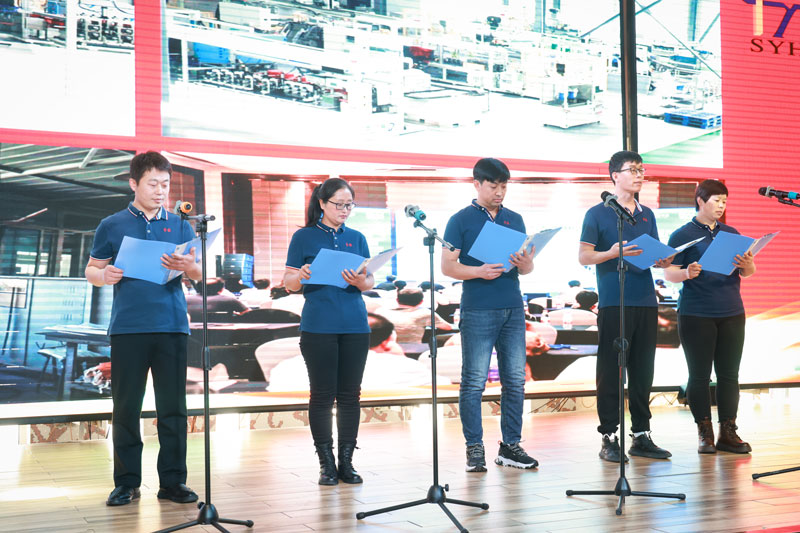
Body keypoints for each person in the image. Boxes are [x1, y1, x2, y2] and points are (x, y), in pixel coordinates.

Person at [84, 151, 201, 506]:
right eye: (153, 184)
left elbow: (198, 273)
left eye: (165, 184)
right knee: (126, 408)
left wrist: (187, 266)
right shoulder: (112, 224)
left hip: (172, 325)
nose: (161, 191)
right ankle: (126, 483)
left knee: (173, 408)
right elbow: (92, 270)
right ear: (134, 183)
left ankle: (173, 482)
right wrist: (104, 274)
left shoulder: (181, 225)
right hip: (129, 327)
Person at [441, 157, 538, 472]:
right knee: (473, 381)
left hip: (512, 306)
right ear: (477, 184)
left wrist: (526, 263)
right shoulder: (460, 220)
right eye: (493, 186)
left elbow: (525, 268)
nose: (499, 192)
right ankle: (474, 447)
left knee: (515, 380)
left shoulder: (514, 219)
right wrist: (478, 271)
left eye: (504, 186)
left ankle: (511, 446)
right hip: (478, 308)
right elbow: (447, 266)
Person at [578, 150, 673, 463]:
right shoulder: (597, 213)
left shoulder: (647, 214)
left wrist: (663, 260)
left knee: (643, 370)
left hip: (645, 300)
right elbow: (584, 256)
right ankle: (608, 436)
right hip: (613, 301)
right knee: (610, 369)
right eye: (632, 170)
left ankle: (641, 435)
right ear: (615, 175)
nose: (639, 175)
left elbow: (654, 255)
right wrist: (611, 252)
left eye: (641, 170)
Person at [283, 178, 374, 486]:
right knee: (322, 395)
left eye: (349, 205)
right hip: (318, 325)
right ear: (322, 203)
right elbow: (289, 282)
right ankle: (326, 464)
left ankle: (347, 462)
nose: (345, 210)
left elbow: (369, 280)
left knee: (350, 395)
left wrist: (361, 281)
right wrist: (301, 275)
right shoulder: (304, 237)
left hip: (355, 325)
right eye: (339, 204)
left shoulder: (357, 237)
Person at [664, 179, 755, 454]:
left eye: (725, 201)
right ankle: (705, 432)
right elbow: (669, 273)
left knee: (729, 374)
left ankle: (728, 431)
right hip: (696, 313)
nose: (721, 206)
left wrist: (748, 264)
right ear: (700, 201)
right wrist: (686, 272)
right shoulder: (681, 234)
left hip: (732, 312)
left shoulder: (731, 233)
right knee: (700, 375)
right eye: (716, 201)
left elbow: (747, 272)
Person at [375, 287, 452, 344]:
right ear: (421, 302)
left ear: (397, 300)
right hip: (414, 351)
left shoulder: (380, 312)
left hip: (384, 351)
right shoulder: (425, 313)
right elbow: (448, 327)